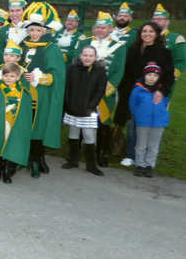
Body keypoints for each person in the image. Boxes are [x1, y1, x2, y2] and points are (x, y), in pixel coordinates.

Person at [114, 22, 174, 167]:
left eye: (151, 31)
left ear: (157, 34)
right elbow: (126, 71)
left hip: (151, 93)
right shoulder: (133, 49)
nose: (147, 34)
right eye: (144, 31)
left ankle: (145, 157)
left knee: (144, 125)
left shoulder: (163, 52)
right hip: (131, 91)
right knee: (131, 123)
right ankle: (130, 154)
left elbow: (169, 76)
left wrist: (162, 91)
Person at [72, 11, 128, 167]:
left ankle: (102, 153)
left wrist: (108, 87)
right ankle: (78, 153)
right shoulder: (85, 42)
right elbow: (75, 61)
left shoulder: (119, 47)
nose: (99, 30)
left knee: (103, 122)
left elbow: (119, 70)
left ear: (111, 28)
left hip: (105, 92)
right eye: (97, 27)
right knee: (80, 119)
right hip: (83, 90)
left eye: (103, 28)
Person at [21, 2, 66, 178]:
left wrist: (40, 78)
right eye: (31, 30)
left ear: (45, 31)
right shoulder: (23, 46)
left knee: (38, 126)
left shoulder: (52, 48)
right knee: (25, 126)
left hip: (42, 95)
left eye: (38, 31)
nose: (34, 34)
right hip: (24, 95)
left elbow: (57, 75)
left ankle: (37, 159)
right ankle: (24, 157)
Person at [0, 63, 36, 184]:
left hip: (14, 123)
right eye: (6, 75)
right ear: (2, 76)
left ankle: (6, 170)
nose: (9, 78)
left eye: (12, 76)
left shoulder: (23, 92)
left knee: (11, 145)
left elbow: (26, 111)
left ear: (18, 77)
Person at [61, 46, 107, 175]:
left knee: (88, 135)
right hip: (72, 107)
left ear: (95, 57)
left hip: (88, 110)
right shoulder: (72, 69)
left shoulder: (100, 71)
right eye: (85, 55)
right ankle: (73, 160)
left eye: (91, 55)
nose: (87, 58)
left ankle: (91, 165)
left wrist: (91, 106)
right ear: (80, 56)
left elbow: (100, 91)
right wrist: (68, 104)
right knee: (73, 133)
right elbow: (67, 88)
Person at [129, 62, 170, 178]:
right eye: (149, 75)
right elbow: (133, 104)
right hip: (143, 121)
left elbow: (166, 103)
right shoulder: (138, 89)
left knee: (153, 146)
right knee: (141, 144)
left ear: (159, 77)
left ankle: (149, 166)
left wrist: (163, 115)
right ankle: (139, 165)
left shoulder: (162, 91)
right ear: (144, 75)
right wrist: (138, 116)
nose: (152, 78)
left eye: (155, 76)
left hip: (158, 122)